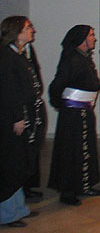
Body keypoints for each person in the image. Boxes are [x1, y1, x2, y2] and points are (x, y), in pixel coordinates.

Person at [48, 25, 100, 206]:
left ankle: (84, 184)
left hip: (83, 112)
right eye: (91, 35)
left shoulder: (85, 58)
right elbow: (57, 85)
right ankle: (68, 191)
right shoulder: (71, 58)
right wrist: (60, 104)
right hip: (72, 114)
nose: (94, 38)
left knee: (84, 149)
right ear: (82, 40)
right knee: (71, 151)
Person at [0, 16, 40, 227]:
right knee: (11, 165)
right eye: (28, 27)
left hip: (23, 117)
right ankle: (7, 214)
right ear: (16, 32)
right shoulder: (6, 56)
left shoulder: (21, 54)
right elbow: (7, 91)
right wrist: (17, 117)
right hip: (11, 120)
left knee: (20, 163)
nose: (32, 30)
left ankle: (18, 209)